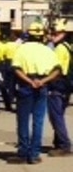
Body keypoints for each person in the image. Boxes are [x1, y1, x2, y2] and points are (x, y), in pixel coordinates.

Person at [7, 22, 61, 165]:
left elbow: (16, 68)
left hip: (26, 85)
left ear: (28, 35)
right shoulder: (48, 50)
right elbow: (57, 70)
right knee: (38, 121)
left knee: (23, 121)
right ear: (42, 36)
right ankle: (34, 154)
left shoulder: (21, 49)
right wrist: (43, 81)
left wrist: (30, 81)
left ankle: (23, 153)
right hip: (42, 85)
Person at [46, 20, 72, 157]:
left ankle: (64, 145)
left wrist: (45, 80)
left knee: (56, 116)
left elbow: (56, 68)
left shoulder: (60, 48)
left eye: (54, 33)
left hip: (58, 85)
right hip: (66, 85)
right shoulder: (68, 46)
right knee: (59, 114)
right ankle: (58, 143)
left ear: (62, 33)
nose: (51, 36)